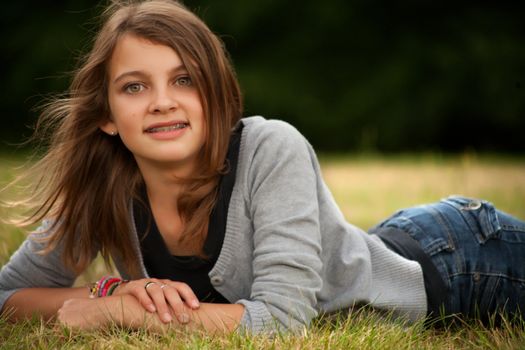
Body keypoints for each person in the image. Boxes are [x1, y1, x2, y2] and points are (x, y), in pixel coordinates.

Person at [0, 0, 524, 334]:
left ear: (216, 94)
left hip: (463, 261)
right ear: (108, 117)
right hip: (380, 246)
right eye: (134, 87)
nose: (161, 102)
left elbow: (281, 323)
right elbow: (8, 297)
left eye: (184, 80)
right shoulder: (103, 188)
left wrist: (131, 316)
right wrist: (106, 292)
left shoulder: (271, 148)